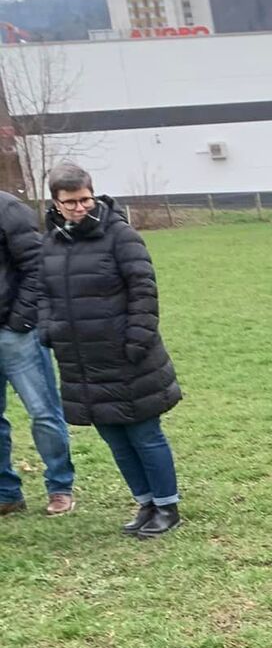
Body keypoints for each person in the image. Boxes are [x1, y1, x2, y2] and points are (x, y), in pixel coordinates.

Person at [39, 161, 184, 537]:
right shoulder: (51, 242)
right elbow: (44, 293)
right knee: (114, 437)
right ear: (56, 202)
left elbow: (143, 288)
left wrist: (137, 338)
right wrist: (48, 330)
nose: (79, 208)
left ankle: (167, 506)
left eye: (85, 199)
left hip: (127, 354)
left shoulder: (120, 235)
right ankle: (146, 502)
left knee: (144, 433)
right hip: (81, 359)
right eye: (70, 202)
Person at [0, 189, 75, 517]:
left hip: (16, 334)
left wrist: (20, 320)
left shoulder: (8, 209)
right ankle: (6, 493)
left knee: (43, 412)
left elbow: (37, 267)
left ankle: (60, 486)